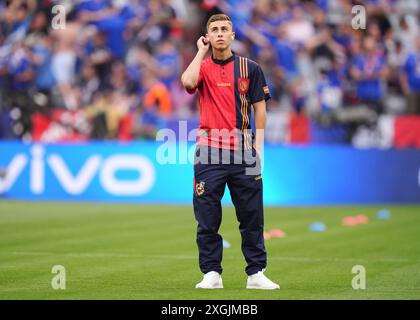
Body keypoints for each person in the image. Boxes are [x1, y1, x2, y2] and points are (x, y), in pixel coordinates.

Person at [181, 14, 279, 290]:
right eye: (215, 30)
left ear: (233, 35)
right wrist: (200, 52)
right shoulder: (201, 66)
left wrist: (258, 148)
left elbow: (260, 109)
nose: (220, 34)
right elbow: (188, 83)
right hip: (209, 153)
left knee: (252, 217)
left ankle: (256, 273)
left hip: (243, 152)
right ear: (207, 36)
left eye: (225, 29)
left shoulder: (250, 68)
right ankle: (211, 273)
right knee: (207, 217)